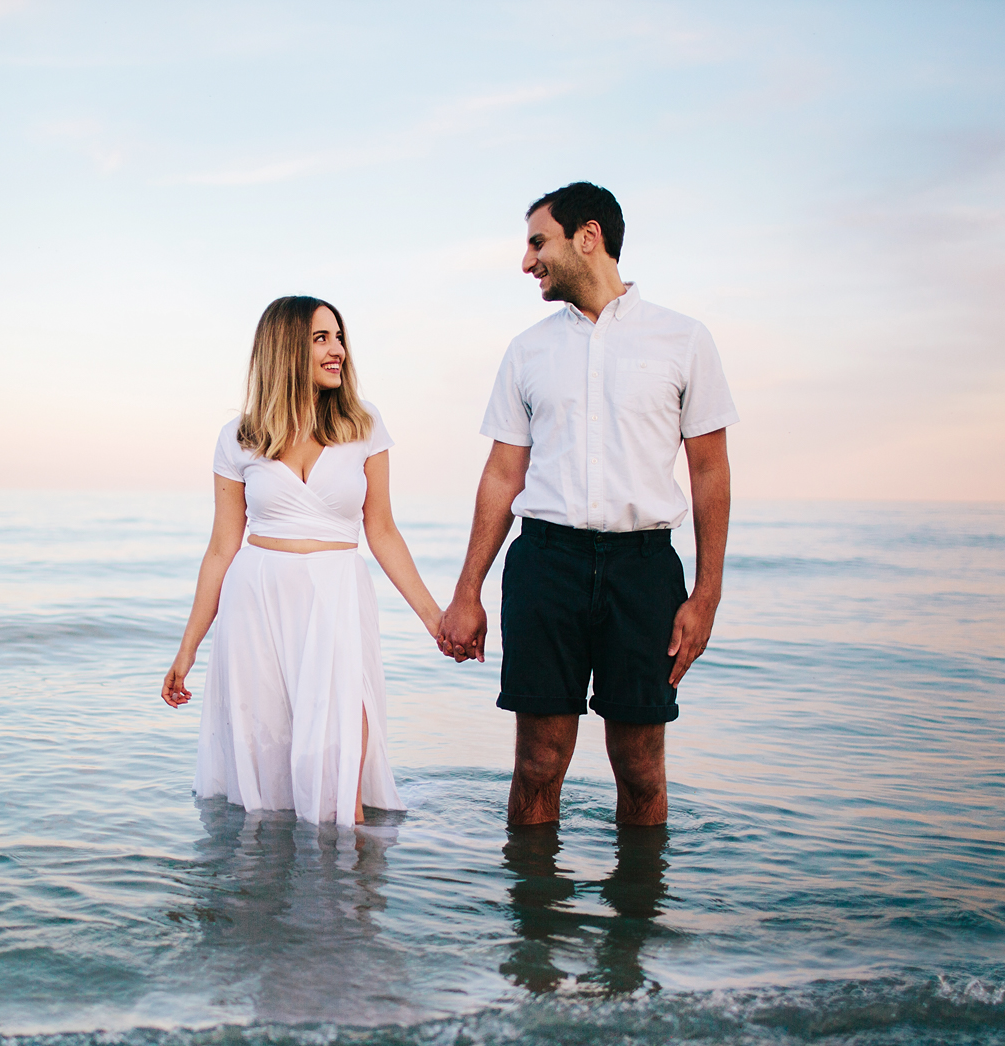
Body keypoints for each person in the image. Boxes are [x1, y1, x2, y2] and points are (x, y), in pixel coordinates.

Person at [437, 182, 737, 828]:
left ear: (589, 237)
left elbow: (709, 469)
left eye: (537, 242)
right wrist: (468, 591)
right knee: (538, 763)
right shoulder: (528, 350)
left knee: (641, 768)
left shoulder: (684, 340)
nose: (527, 262)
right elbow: (501, 475)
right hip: (547, 563)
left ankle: (636, 927)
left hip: (645, 570)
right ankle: (534, 927)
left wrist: (707, 592)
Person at [163, 296, 442, 827]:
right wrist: (187, 649)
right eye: (322, 338)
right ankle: (265, 896)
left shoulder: (363, 425)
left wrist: (437, 621)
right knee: (267, 772)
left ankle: (351, 894)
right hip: (257, 604)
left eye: (339, 338)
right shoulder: (239, 438)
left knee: (342, 777)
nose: (338, 350)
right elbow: (223, 546)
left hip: (336, 598)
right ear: (285, 348)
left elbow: (381, 530)